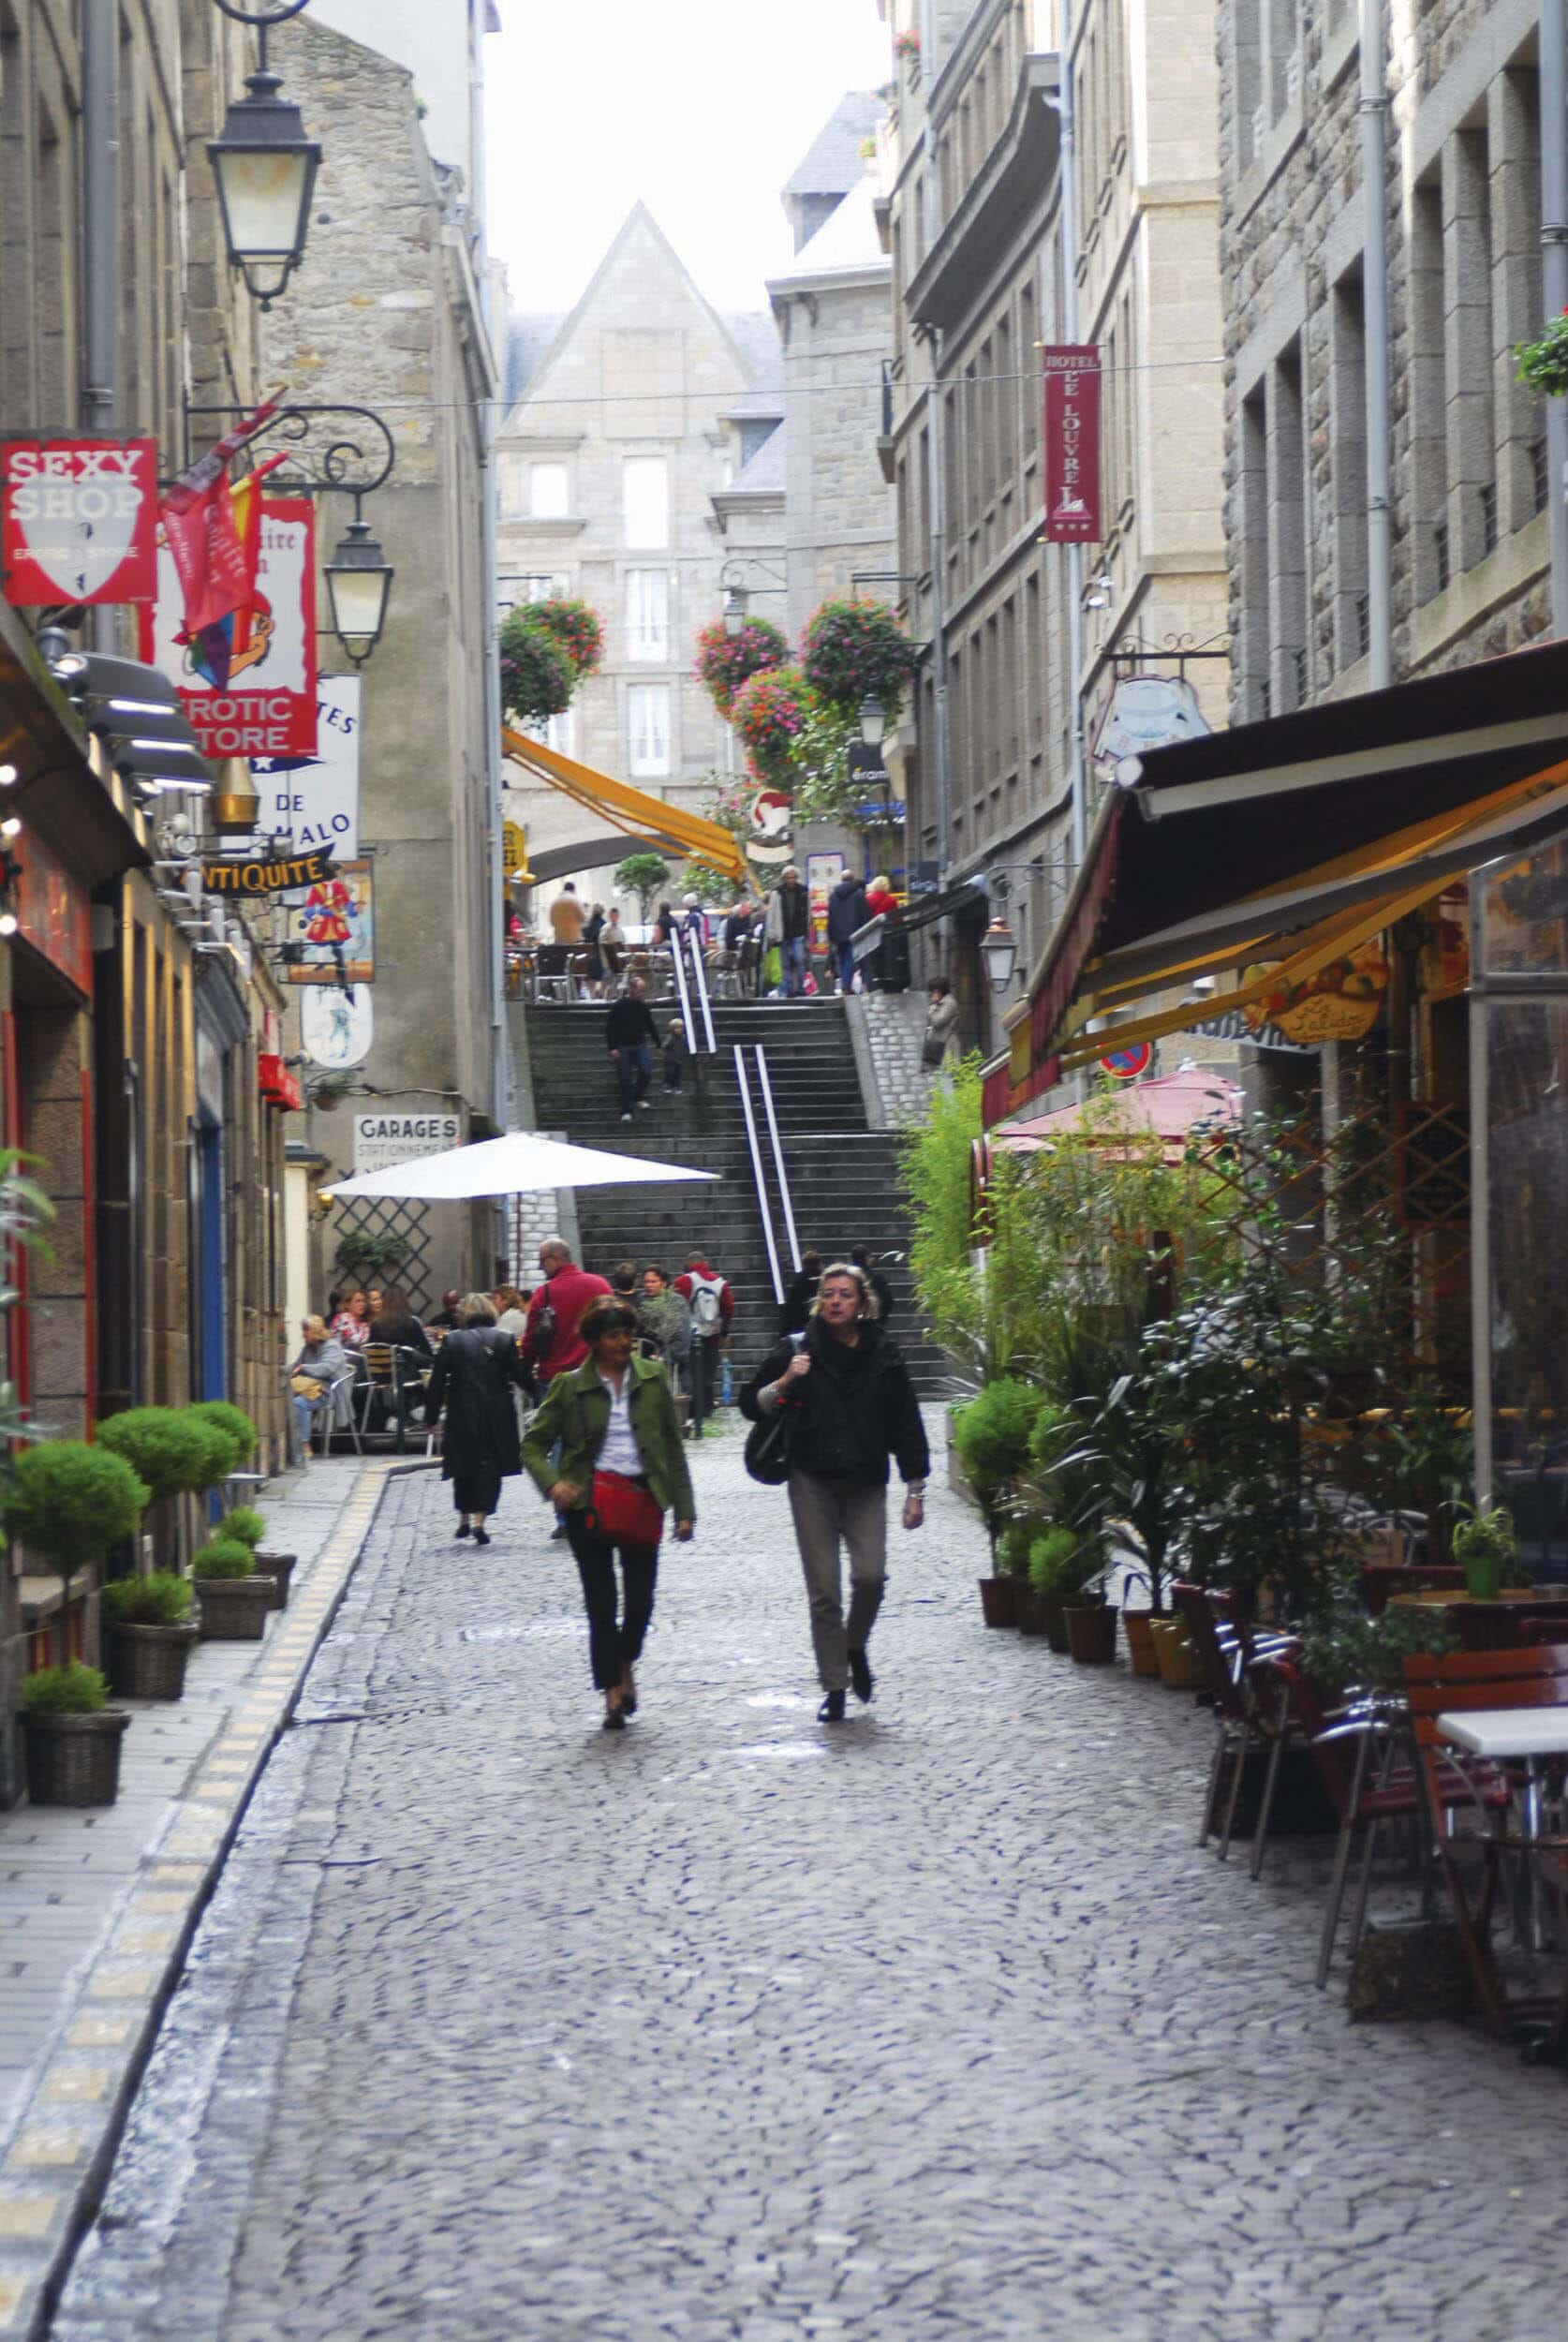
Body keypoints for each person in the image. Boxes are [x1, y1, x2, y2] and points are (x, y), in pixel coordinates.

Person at [740, 1261, 929, 1725]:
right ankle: (835, 1686)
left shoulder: (884, 1352)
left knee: (871, 1578)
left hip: (866, 1480)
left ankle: (853, 1645)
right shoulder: (798, 1347)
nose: (835, 1302)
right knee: (823, 1591)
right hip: (812, 1481)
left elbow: (906, 1421)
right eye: (828, 1295)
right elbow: (749, 1404)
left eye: (845, 1295)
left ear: (863, 1303)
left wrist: (915, 1488)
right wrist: (785, 1381)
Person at [522, 1296, 695, 1730]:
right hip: (589, 1507)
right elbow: (532, 1445)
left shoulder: (653, 1379)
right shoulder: (569, 1386)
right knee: (601, 1605)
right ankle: (612, 1693)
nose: (624, 1343)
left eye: (628, 1335)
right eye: (614, 1336)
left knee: (639, 1606)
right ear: (595, 1341)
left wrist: (684, 1510)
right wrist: (553, 1483)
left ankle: (624, 1659)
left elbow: (673, 1448)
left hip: (642, 1501)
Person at [423, 1293, 531, 1544]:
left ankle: (463, 1517)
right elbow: (520, 1374)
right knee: (489, 1466)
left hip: (461, 1410)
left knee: (463, 1464)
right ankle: (480, 1521)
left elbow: (438, 1381)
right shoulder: (504, 1339)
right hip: (496, 1412)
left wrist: (430, 1416)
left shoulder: (451, 1340)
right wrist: (539, 1394)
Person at [523, 1238, 613, 1389]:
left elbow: (531, 1341)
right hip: (596, 1375)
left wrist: (524, 1369)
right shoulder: (601, 1285)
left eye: (542, 1261)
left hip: (555, 1378)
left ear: (555, 1259)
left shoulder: (543, 1294)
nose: (541, 1267)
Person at [674, 1250, 733, 1436]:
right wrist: (724, 1331)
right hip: (713, 1334)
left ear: (689, 1263)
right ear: (705, 1263)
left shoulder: (685, 1281)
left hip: (690, 1334)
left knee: (690, 1371)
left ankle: (693, 1407)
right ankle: (706, 1406)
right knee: (708, 1372)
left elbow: (675, 1303)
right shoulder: (720, 1283)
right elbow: (728, 1309)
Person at [287, 1316, 350, 1458]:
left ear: (314, 1331)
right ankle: (291, 1443)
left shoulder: (332, 1346)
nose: (303, 1334)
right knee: (285, 1399)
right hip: (310, 1388)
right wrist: (281, 1370)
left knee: (299, 1403)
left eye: (306, 1330)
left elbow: (326, 1368)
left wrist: (304, 1368)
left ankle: (304, 1445)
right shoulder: (308, 1348)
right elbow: (296, 1366)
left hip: (329, 1391)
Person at [606, 974, 660, 1120]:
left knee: (646, 1072)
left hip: (639, 1044)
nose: (641, 994)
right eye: (639, 990)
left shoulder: (643, 1007)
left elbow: (650, 1025)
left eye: (643, 991)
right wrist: (613, 1048)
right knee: (625, 1078)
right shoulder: (618, 1006)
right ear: (630, 989)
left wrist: (658, 1043)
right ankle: (626, 1110)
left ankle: (638, 1096)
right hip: (622, 1046)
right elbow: (610, 1028)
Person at [640, 1265, 692, 1391]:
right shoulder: (641, 1301)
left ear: (663, 1283)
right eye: (646, 1282)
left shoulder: (676, 1302)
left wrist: (663, 1357)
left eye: (653, 1281)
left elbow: (683, 1337)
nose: (649, 1285)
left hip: (672, 1364)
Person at [765, 866, 810, 998]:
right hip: (782, 934)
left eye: (793, 877)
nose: (791, 880)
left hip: (798, 932)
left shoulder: (803, 891)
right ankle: (788, 989)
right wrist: (771, 933)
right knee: (784, 963)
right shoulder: (777, 893)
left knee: (799, 959)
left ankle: (801, 987)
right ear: (784, 878)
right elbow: (772, 914)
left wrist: (808, 928)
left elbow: (808, 910)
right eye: (789, 877)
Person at [827, 869, 869, 995]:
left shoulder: (833, 895)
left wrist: (831, 933)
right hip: (853, 931)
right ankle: (846, 985)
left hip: (838, 932)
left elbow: (830, 915)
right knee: (849, 959)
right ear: (852, 879)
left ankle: (846, 983)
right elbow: (864, 913)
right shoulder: (858, 893)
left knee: (842, 958)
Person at [367, 1285, 434, 1361]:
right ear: (404, 1301)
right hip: (408, 1370)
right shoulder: (412, 1323)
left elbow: (369, 1351)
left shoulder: (376, 1325)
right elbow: (428, 1354)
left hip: (381, 1370)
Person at [779, 1250, 825, 1337]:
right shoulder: (825, 1278)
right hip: (821, 1322)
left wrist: (784, 1332)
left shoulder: (800, 1279)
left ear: (804, 1264)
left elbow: (791, 1306)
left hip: (802, 1323)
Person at [851, 1245, 895, 1326]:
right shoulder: (876, 1278)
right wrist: (881, 1318)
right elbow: (887, 1299)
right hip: (872, 1321)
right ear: (867, 1258)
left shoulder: (846, 1277)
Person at [924, 977, 960, 1069]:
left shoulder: (949, 1003)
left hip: (946, 1044)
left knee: (947, 1076)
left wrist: (932, 1006)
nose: (930, 994)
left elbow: (937, 1021)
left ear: (937, 991)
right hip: (937, 1045)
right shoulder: (940, 1004)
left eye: (932, 991)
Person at [329, 1287, 371, 1351]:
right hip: (338, 1358)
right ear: (347, 1304)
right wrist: (364, 1329)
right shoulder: (342, 1318)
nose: (362, 1304)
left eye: (363, 1301)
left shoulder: (362, 1322)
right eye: (358, 1301)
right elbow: (354, 1340)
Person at [550, 882, 586, 947]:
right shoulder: (575, 900)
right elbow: (583, 918)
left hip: (559, 941)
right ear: (574, 890)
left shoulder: (554, 902)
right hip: (574, 940)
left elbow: (552, 922)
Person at [582, 901, 606, 999]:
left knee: (591, 980)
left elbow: (583, 937)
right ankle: (601, 994)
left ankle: (592, 997)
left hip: (589, 955)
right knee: (602, 977)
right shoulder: (604, 925)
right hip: (600, 955)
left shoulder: (587, 925)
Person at [662, 1016, 687, 1094]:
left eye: (680, 1027)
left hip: (679, 1059)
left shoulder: (683, 1037)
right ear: (672, 1029)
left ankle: (676, 1087)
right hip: (670, 1059)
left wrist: (685, 1053)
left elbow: (685, 1047)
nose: (678, 1029)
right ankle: (667, 1086)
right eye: (676, 1028)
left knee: (677, 1074)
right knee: (670, 1073)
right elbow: (664, 1046)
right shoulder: (670, 1037)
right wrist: (667, 1046)